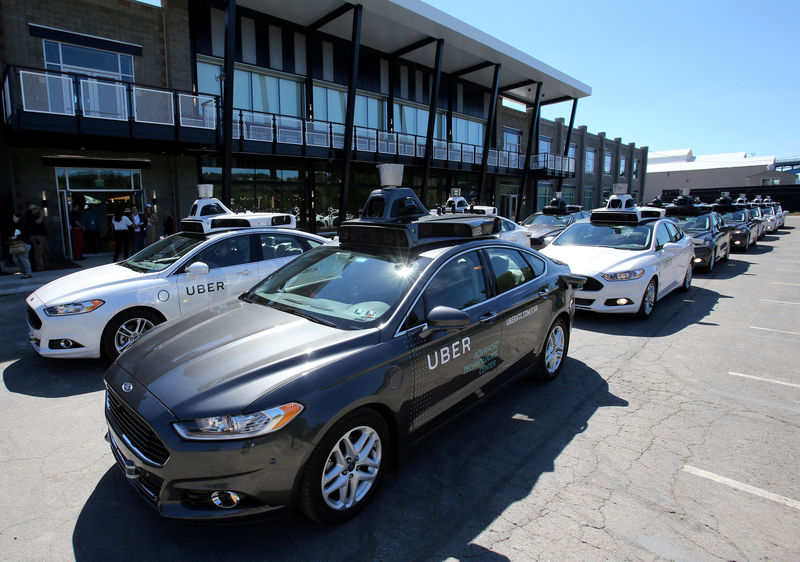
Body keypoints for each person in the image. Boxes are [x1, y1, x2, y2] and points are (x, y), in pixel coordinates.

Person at [24, 204, 49, 271]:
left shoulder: (36, 215)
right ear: (33, 210)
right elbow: (38, 221)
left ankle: (46, 265)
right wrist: (41, 214)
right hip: (36, 236)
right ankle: (40, 267)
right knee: (39, 252)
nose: (38, 210)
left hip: (42, 235)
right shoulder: (30, 216)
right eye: (36, 209)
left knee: (45, 251)